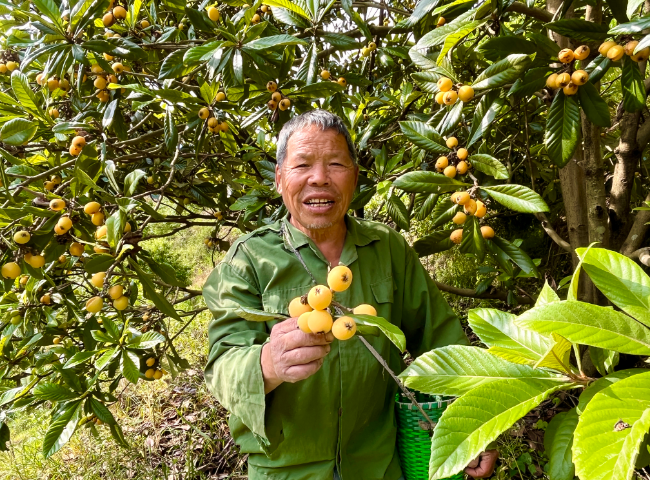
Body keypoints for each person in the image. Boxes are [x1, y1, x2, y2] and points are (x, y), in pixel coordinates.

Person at [203, 110, 499, 480]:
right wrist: (268, 364)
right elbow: (221, 368)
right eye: (303, 165)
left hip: (379, 464)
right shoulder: (249, 260)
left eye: (336, 164)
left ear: (355, 177)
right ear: (280, 179)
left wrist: (476, 425)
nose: (319, 178)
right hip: (286, 469)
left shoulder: (387, 248)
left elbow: (440, 339)